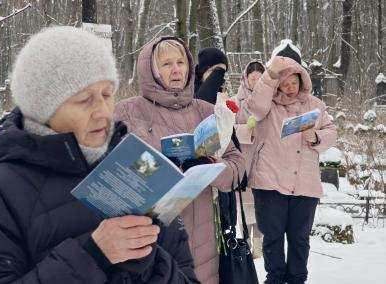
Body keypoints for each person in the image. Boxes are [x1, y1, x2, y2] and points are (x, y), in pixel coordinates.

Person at [0, 26, 200, 284]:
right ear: (43, 108)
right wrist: (92, 257)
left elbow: (186, 276)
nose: (103, 112)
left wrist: (150, 264)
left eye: (107, 95)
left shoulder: (139, 171)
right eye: (85, 100)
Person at [114, 36, 245, 284]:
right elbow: (113, 170)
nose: (176, 70)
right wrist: (159, 170)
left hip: (204, 245)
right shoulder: (127, 112)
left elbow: (238, 165)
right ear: (151, 70)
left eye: (181, 62)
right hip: (152, 241)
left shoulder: (206, 111)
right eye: (166, 64)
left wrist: (213, 169)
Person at [246, 41, 337, 284]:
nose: (289, 89)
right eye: (283, 84)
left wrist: (316, 137)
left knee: (299, 239)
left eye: (293, 83)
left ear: (302, 79)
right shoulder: (267, 105)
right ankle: (275, 278)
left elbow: (331, 134)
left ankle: (298, 279)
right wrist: (270, 74)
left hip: (304, 185)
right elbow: (254, 108)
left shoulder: (316, 106)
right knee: (273, 237)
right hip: (270, 182)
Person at [234, 59, 266, 259]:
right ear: (246, 79)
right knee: (244, 207)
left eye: (260, 78)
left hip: (263, 160)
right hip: (244, 160)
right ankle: (245, 243)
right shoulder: (236, 101)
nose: (256, 82)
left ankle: (259, 246)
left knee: (261, 206)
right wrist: (247, 130)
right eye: (253, 78)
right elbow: (227, 131)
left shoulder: (271, 98)